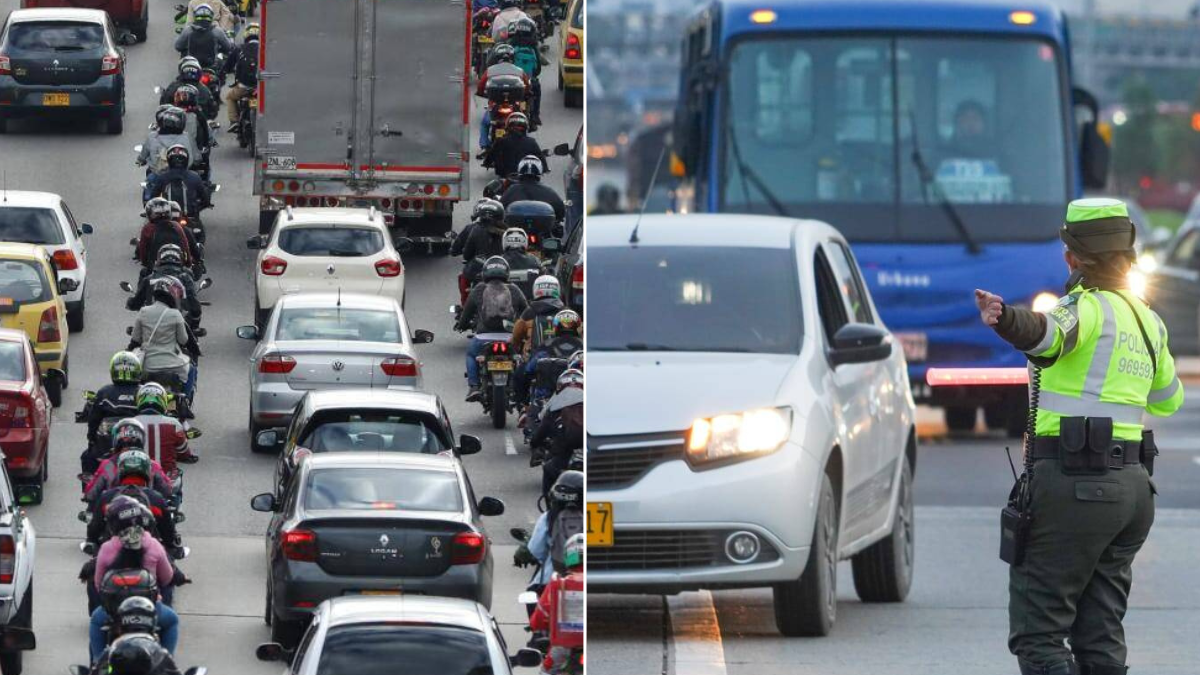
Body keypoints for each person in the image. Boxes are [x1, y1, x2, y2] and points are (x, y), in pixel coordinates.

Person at [975, 198, 1184, 675]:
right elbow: (1168, 399)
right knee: (1100, 634)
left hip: (1076, 486)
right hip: (1133, 493)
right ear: (1128, 252)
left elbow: (1045, 333)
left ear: (1071, 256)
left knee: (1039, 635)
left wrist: (1005, 318)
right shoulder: (1148, 321)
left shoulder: (1083, 308)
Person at [89, 499, 180, 662]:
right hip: (149, 608)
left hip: (114, 611)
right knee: (172, 620)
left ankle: (97, 662)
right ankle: (167, 661)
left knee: (96, 621)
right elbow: (167, 577)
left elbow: (98, 584)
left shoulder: (107, 548)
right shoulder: (153, 544)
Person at [455, 256, 529, 401]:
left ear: (485, 273)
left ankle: (474, 386)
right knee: (522, 357)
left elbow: (466, 313)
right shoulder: (514, 289)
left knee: (471, 355)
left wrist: (461, 325)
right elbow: (526, 312)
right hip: (510, 337)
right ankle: (521, 388)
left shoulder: (479, 289)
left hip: (483, 338)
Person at [128, 277, 199, 399]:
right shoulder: (175, 314)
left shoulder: (143, 311)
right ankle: (184, 401)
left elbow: (135, 338)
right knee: (192, 370)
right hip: (172, 365)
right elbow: (183, 340)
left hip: (146, 366)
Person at [85, 421, 175, 508]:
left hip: (114, 511)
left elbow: (90, 494)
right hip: (147, 512)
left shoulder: (107, 464)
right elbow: (168, 490)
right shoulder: (152, 464)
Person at [529, 533, 583, 673]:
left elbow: (539, 618)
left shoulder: (558, 583)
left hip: (563, 647)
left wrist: (535, 626)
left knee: (546, 671)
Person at [83, 353, 144, 474]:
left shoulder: (104, 392)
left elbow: (94, 420)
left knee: (87, 457)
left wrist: (91, 439)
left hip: (109, 446)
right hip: (140, 444)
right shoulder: (143, 392)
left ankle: (91, 485)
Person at [531, 368, 582, 493]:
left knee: (548, 469)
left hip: (566, 453)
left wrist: (535, 443)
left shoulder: (557, 405)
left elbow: (542, 430)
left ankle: (549, 503)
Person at [129, 245, 202, 322]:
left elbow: (135, 304)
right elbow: (194, 305)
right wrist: (195, 317)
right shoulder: (185, 278)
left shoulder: (149, 279)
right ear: (180, 259)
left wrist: (131, 303)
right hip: (177, 320)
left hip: (153, 321)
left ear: (159, 259)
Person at [132, 382, 197, 470]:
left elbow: (118, 451)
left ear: (139, 400)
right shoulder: (174, 424)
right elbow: (183, 451)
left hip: (136, 473)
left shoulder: (130, 423)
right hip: (166, 473)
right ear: (163, 401)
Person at [90, 619, 183, 675]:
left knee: (97, 620)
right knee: (171, 620)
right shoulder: (160, 655)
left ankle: (95, 659)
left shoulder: (109, 655)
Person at [143, 146, 211, 221]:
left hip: (167, 218)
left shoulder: (162, 178)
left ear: (169, 160)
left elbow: (153, 199)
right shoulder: (195, 177)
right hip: (190, 217)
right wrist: (196, 209)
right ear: (186, 160)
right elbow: (205, 201)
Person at [135, 197, 199, 269]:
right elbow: (185, 245)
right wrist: (188, 263)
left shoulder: (148, 228)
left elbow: (143, 250)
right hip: (178, 266)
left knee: (144, 274)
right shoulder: (176, 225)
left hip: (156, 267)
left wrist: (146, 265)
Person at [506, 17, 546, 126]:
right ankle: (535, 116)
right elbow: (538, 69)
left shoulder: (511, 44)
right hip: (528, 81)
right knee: (536, 89)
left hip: (512, 79)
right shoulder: (533, 46)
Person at [136, 106, 200, 175]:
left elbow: (142, 157)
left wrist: (140, 160)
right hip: (183, 174)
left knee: (149, 177)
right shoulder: (187, 136)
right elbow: (197, 158)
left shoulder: (152, 136)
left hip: (159, 175)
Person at [483, 112, 548, 179]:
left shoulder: (500, 141)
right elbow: (541, 157)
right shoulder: (532, 142)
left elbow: (491, 156)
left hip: (506, 177)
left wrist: (487, 163)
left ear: (508, 127)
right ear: (525, 128)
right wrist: (545, 168)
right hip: (525, 177)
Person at [501, 155, 566, 222]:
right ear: (539, 171)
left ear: (520, 170)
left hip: (516, 226)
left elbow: (500, 209)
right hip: (542, 227)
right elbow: (561, 211)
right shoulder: (549, 191)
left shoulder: (511, 190)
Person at [512, 275, 563, 356]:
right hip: (562, 355)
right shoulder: (564, 311)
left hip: (535, 357)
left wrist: (514, 348)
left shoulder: (529, 312)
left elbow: (516, 337)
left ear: (536, 289)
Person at [174, 4, 234, 70]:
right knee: (224, 55)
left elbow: (178, 46)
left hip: (192, 66)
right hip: (212, 66)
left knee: (183, 52)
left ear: (195, 16)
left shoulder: (188, 30)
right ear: (211, 16)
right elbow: (227, 47)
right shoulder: (217, 30)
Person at [224, 23, 260, 129]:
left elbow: (227, 67)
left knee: (230, 97)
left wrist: (224, 72)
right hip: (261, 87)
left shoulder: (239, 48)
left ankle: (234, 121)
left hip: (243, 87)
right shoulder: (265, 49)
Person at [501, 227, 541, 296]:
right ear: (524, 241)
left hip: (504, 300)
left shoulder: (499, 261)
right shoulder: (534, 260)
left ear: (505, 241)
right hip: (530, 300)